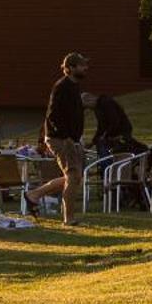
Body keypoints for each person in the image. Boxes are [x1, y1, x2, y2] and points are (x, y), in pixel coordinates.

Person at [26, 53, 89, 225]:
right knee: (73, 175)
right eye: (82, 65)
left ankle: (34, 195)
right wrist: (66, 136)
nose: (85, 68)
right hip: (60, 138)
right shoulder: (62, 86)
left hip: (70, 139)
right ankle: (69, 219)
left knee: (73, 177)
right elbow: (52, 115)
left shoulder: (74, 87)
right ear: (70, 68)